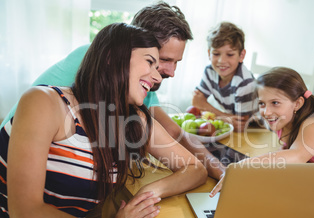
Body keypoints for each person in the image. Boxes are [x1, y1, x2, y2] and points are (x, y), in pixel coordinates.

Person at [0, 23, 207, 218]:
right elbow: (27, 217)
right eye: (149, 61)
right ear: (111, 58)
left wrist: (148, 194)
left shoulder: (133, 120)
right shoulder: (44, 102)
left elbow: (195, 169)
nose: (157, 75)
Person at [0, 1, 225, 180]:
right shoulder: (95, 63)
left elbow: (172, 131)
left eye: (177, 62)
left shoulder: (139, 81)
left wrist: (221, 171)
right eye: (163, 60)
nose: (170, 72)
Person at [210, 67, 314, 197]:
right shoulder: (284, 118)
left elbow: (297, 154)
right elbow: (288, 151)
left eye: (275, 103)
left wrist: (242, 165)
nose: (266, 111)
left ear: (297, 103)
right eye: (262, 103)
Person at [192, 21, 258, 132]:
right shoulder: (210, 71)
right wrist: (226, 117)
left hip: (255, 130)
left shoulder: (244, 83)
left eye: (230, 54)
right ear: (209, 53)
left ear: (241, 55)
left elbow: (240, 124)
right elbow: (196, 102)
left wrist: (209, 109)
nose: (222, 61)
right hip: (233, 127)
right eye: (216, 54)